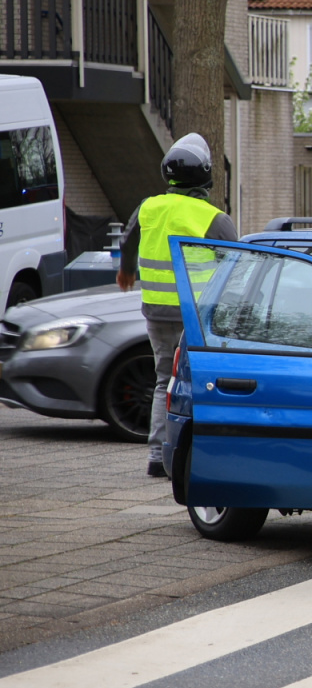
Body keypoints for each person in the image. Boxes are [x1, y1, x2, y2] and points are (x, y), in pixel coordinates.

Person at [115, 134, 236, 478]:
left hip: (155, 311)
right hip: (195, 317)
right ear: (206, 174)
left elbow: (127, 238)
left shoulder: (149, 206)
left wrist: (126, 271)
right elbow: (240, 266)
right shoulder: (214, 218)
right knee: (202, 383)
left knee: (162, 380)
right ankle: (197, 454)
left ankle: (157, 455)